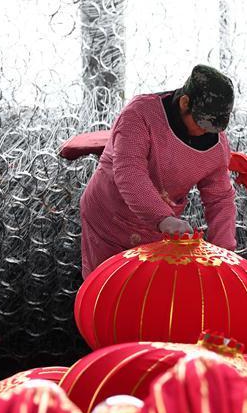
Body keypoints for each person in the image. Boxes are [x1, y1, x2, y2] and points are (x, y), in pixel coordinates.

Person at [80, 64, 238, 278]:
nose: (206, 133)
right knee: (107, 290)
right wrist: (164, 218)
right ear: (184, 103)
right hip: (109, 218)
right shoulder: (140, 114)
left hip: (158, 230)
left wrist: (224, 253)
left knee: (150, 296)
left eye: (214, 128)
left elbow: (220, 199)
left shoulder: (216, 145)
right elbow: (129, 172)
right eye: (202, 124)